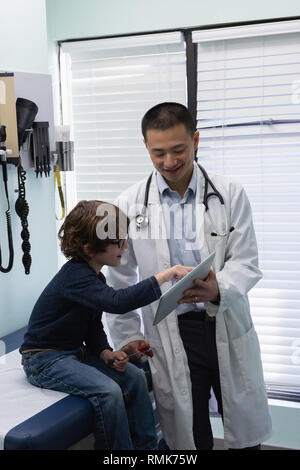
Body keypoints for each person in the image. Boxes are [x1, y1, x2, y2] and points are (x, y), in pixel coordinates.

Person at [105, 102, 272, 450]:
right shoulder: (129, 204)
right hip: (170, 333)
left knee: (244, 433)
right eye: (158, 153)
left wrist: (217, 289)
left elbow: (247, 262)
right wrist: (129, 337)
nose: (169, 161)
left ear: (195, 140)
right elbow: (119, 281)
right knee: (188, 438)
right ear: (146, 148)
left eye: (178, 149)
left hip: (224, 320)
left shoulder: (230, 195)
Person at [20, 199, 192, 451]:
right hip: (43, 359)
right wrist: (165, 275)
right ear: (89, 248)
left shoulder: (94, 275)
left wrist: (104, 352)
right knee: (108, 392)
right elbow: (117, 302)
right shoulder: (75, 276)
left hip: (73, 353)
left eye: (123, 238)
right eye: (116, 242)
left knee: (134, 376)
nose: (124, 245)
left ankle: (147, 448)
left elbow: (92, 322)